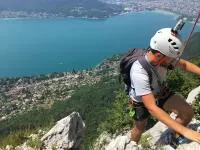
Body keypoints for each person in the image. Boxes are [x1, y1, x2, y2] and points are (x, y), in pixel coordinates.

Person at [129, 27, 200, 146]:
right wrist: (187, 131)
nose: (174, 60)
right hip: (140, 101)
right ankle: (131, 146)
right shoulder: (139, 71)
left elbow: (184, 65)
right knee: (140, 128)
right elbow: (151, 107)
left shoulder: (163, 57)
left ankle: (172, 136)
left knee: (187, 112)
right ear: (159, 56)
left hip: (159, 92)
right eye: (171, 57)